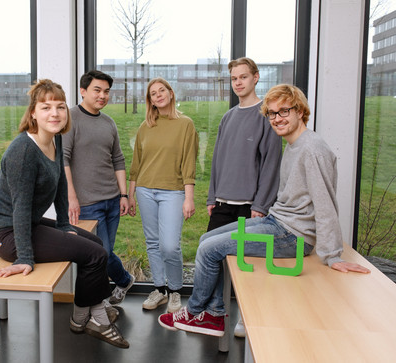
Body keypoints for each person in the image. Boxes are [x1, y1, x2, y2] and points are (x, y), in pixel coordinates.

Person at [158, 84, 370, 337]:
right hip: (278, 222)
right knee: (206, 240)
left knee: (208, 248)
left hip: (292, 234)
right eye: (272, 113)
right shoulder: (295, 144)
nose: (277, 119)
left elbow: (325, 205)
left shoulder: (312, 149)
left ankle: (195, 312)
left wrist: (333, 255)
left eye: (284, 111)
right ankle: (214, 315)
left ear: (300, 111)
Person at [0, 79, 129, 349]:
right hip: (8, 234)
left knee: (96, 244)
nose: (55, 113)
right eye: (46, 107)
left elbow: (61, 181)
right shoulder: (23, 151)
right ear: (33, 113)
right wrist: (25, 257)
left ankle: (83, 316)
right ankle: (93, 318)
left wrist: (63, 224)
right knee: (96, 254)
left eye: (60, 107)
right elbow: (21, 207)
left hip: (28, 224)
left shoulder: (55, 140)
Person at [206, 57, 282, 337]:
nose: (238, 82)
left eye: (243, 77)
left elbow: (272, 165)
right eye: (234, 78)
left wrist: (261, 205)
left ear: (256, 78)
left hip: (252, 208)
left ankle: (247, 317)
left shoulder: (266, 117)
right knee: (210, 257)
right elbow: (217, 161)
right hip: (223, 204)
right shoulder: (228, 117)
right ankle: (215, 313)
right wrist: (212, 197)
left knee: (248, 268)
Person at [62, 70, 135, 307]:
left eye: (106, 91)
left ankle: (117, 286)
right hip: (86, 204)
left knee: (105, 251)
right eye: (97, 90)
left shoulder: (108, 122)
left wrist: (123, 194)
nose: (102, 96)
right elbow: (62, 159)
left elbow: (118, 159)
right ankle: (115, 288)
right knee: (99, 254)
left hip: (112, 200)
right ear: (83, 91)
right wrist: (71, 197)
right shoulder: (70, 119)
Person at [128, 77, 199, 313]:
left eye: (161, 91)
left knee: (170, 246)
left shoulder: (185, 124)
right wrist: (130, 195)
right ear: (150, 100)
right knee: (153, 243)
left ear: (170, 93)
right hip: (145, 190)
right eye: (153, 93)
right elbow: (136, 165)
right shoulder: (145, 126)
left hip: (173, 191)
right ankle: (159, 289)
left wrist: (189, 197)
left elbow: (189, 162)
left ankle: (176, 291)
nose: (158, 95)